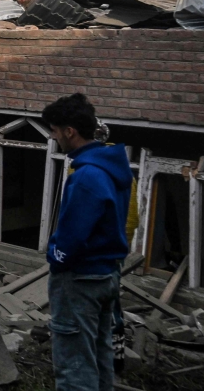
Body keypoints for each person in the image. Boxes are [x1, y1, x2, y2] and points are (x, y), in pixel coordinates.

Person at [42, 93, 132, 391]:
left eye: (54, 131)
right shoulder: (111, 166)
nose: (53, 138)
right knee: (99, 354)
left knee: (75, 365)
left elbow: (74, 235)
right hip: (107, 273)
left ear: (70, 131)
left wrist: (56, 258)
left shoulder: (87, 176)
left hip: (81, 279)